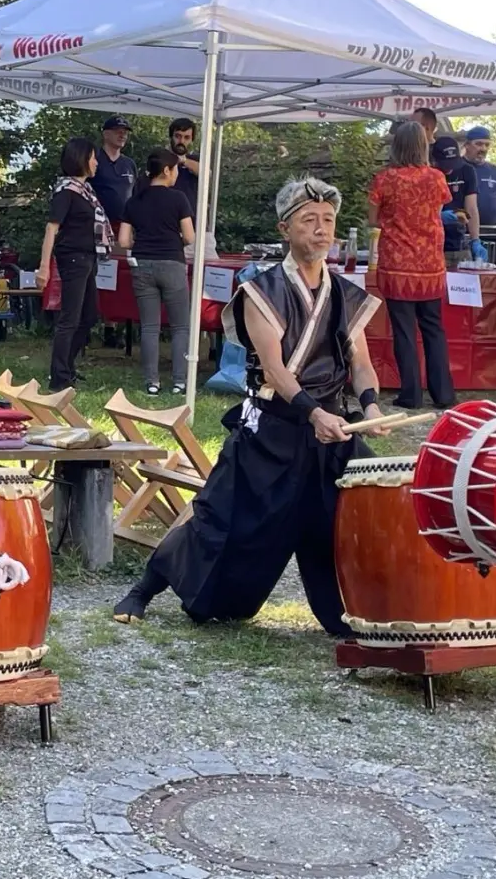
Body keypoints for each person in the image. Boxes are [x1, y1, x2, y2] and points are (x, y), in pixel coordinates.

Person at [111, 177, 389, 631]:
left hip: (331, 430)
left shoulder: (343, 293)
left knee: (348, 518)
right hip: (274, 427)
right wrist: (314, 413)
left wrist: (372, 406)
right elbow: (276, 371)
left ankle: (346, 613)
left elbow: (360, 361)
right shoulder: (260, 291)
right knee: (219, 522)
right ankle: (146, 586)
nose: (321, 230)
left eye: (328, 221)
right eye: (308, 221)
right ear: (285, 229)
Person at [368, 122, 456, 410]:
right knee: (434, 329)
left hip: (397, 264)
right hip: (431, 264)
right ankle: (443, 394)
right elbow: (440, 210)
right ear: (424, 145)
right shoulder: (437, 178)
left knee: (404, 331)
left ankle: (411, 395)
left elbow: (372, 221)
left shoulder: (385, 179)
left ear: (396, 145)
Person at [118, 149, 196, 395]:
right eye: (174, 170)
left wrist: (141, 242)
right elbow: (190, 236)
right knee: (180, 327)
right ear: (166, 170)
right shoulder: (178, 198)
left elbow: (123, 241)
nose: (176, 175)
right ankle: (179, 381)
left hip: (142, 264)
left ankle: (152, 382)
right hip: (172, 263)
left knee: (149, 327)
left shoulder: (134, 201)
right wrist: (174, 241)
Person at [38, 139, 112, 392]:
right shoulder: (66, 191)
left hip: (88, 258)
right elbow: (52, 228)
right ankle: (59, 377)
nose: (96, 162)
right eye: (92, 157)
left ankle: (67, 367)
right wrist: (44, 267)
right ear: (81, 159)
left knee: (89, 314)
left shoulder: (86, 191)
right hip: (73, 258)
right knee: (70, 318)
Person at [433, 135, 481, 259]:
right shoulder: (429, 175)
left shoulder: (467, 171)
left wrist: (475, 239)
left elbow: (471, 208)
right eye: (445, 165)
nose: (449, 169)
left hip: (459, 241)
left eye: (452, 164)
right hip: (434, 243)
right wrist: (439, 216)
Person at [89, 116, 137, 224]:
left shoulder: (129, 163)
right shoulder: (93, 160)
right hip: (97, 224)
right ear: (106, 134)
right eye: (118, 131)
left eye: (125, 133)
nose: (122, 135)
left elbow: (135, 194)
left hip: (125, 226)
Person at [167, 117, 203, 211]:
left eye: (187, 137)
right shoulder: (161, 157)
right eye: (178, 136)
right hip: (166, 217)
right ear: (171, 136)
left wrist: (184, 161)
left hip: (191, 218)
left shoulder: (196, 160)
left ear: (192, 140)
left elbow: (208, 175)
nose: (182, 141)